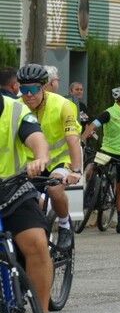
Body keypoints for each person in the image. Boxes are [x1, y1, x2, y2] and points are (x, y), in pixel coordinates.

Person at [0, 91, 66, 313]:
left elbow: (37, 138)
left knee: (37, 243)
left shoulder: (14, 109)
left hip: (11, 189)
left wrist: (40, 158)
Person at [16, 64, 82, 250]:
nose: (29, 95)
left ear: (44, 87)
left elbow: (72, 139)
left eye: (34, 89)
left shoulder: (63, 105)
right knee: (25, 198)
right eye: (24, 90)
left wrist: (76, 170)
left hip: (60, 160)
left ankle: (65, 225)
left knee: (54, 189)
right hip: (30, 163)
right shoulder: (16, 106)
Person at [82, 87, 120, 233]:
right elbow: (93, 125)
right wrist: (82, 139)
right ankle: (89, 196)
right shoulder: (109, 113)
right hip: (108, 151)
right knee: (91, 170)